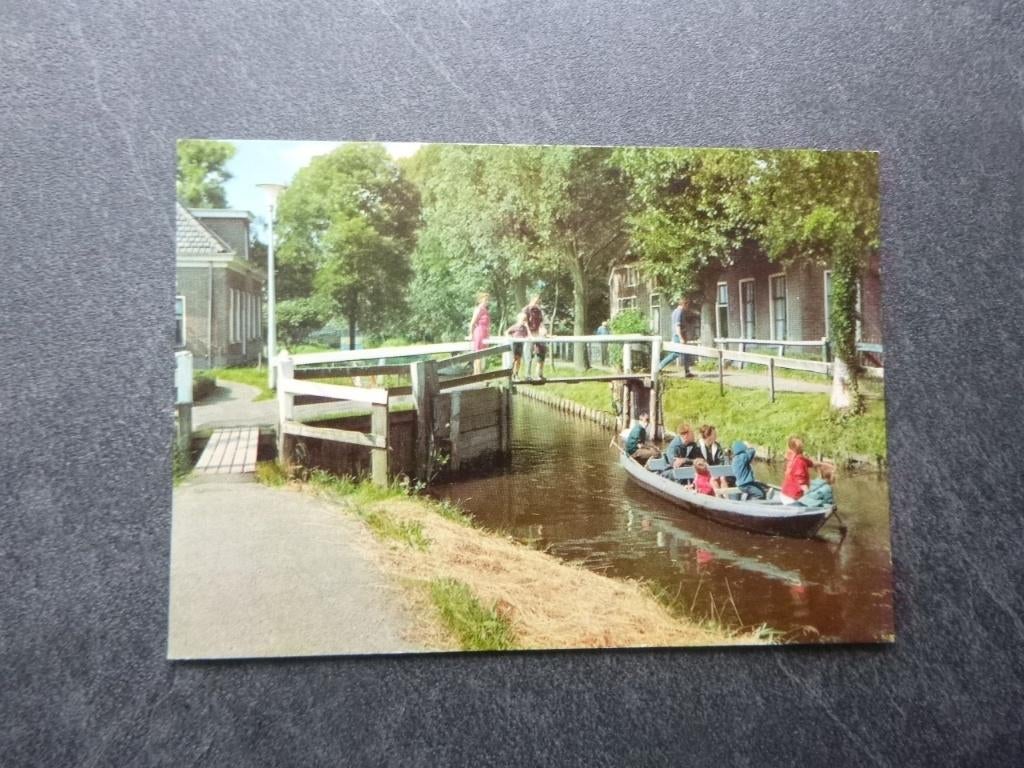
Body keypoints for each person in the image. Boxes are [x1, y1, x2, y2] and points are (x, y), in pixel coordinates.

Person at [656, 297, 693, 376]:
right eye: (687, 305)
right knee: (675, 353)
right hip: (678, 336)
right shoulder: (678, 312)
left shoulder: (679, 312)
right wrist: (680, 338)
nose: (688, 308)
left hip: (681, 335)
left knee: (687, 352)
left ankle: (687, 371)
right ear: (684, 304)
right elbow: (677, 326)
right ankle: (659, 367)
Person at [780, 436, 816, 504]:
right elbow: (802, 484)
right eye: (802, 446)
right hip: (791, 498)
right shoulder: (799, 462)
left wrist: (824, 465)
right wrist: (811, 498)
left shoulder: (794, 456)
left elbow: (811, 463)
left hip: (785, 493)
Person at [522, 295, 547, 380]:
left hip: (537, 334)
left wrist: (545, 333)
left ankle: (539, 374)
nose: (537, 303)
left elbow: (541, 323)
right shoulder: (526, 310)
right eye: (535, 301)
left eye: (538, 302)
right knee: (528, 355)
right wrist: (529, 334)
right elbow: (525, 323)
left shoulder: (539, 311)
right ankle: (527, 375)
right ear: (531, 300)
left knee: (541, 353)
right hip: (528, 335)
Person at [469, 292, 491, 375]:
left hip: (485, 332)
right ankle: (477, 373)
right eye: (485, 300)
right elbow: (472, 323)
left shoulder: (485, 310)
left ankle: (479, 372)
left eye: (488, 300)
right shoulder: (479, 309)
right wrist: (471, 334)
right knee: (478, 352)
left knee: (483, 353)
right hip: (479, 331)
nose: (487, 302)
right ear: (480, 300)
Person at [505, 312, 530, 380]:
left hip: (521, 344)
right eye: (523, 319)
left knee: (519, 360)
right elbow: (507, 332)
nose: (524, 321)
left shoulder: (525, 328)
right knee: (514, 359)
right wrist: (510, 338)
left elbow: (528, 335)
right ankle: (510, 373)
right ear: (519, 320)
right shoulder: (515, 326)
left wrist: (527, 327)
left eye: (525, 319)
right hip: (515, 344)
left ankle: (516, 374)